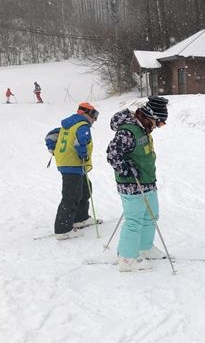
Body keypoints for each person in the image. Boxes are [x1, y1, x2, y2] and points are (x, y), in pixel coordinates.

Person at [106, 96, 169, 272]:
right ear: (151, 117)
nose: (159, 126)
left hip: (147, 181)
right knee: (134, 221)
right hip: (132, 184)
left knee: (151, 215)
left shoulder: (143, 129)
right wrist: (126, 169)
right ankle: (126, 258)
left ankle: (145, 248)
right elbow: (112, 154)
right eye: (160, 123)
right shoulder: (128, 131)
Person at [45, 103, 99, 240]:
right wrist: (83, 155)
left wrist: (53, 147)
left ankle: (81, 218)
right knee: (71, 196)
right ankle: (63, 229)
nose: (94, 119)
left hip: (70, 164)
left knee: (85, 189)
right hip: (73, 164)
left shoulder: (67, 125)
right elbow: (81, 142)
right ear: (85, 113)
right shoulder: (82, 125)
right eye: (94, 115)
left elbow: (50, 136)